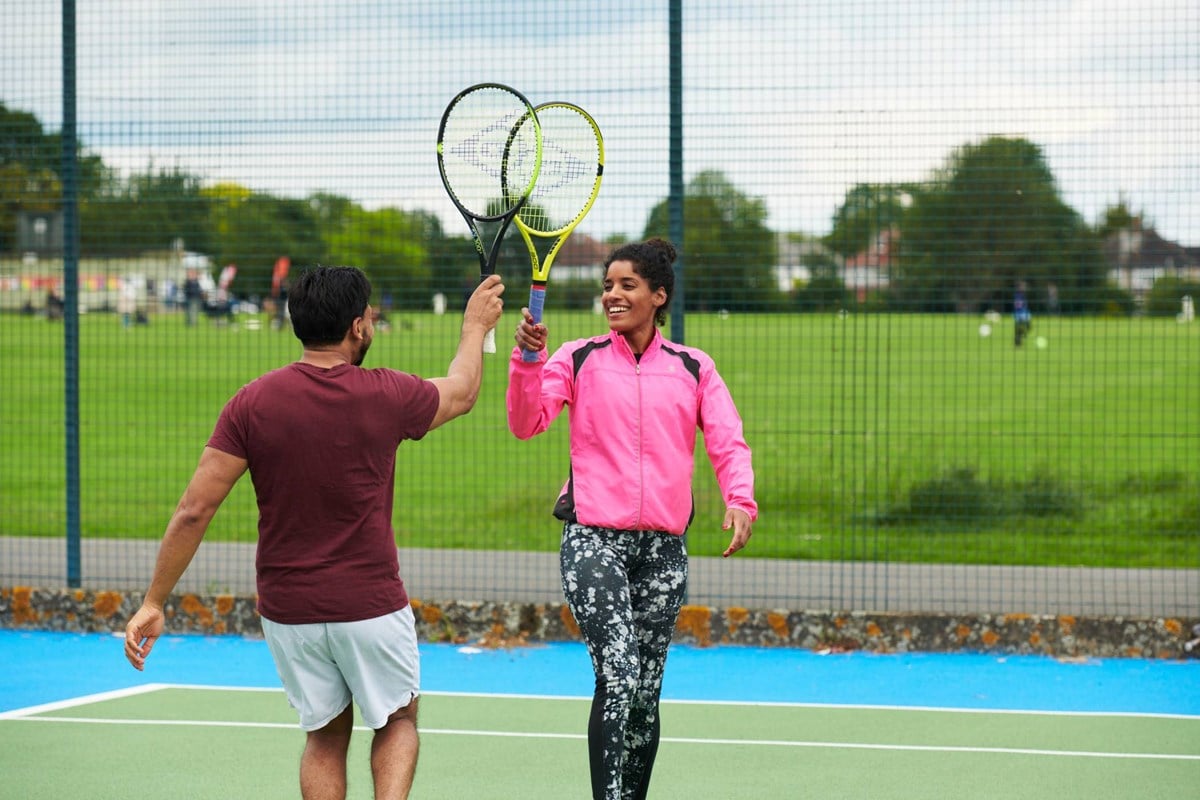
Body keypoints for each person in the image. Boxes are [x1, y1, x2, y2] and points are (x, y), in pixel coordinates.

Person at [124, 266, 506, 800]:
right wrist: (474, 327)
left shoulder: (251, 402)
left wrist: (153, 601)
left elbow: (194, 510)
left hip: (288, 610)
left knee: (324, 735)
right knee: (398, 719)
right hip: (370, 602)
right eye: (369, 315)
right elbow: (462, 392)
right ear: (357, 327)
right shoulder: (387, 392)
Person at [506, 238, 757, 800]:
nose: (612, 296)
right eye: (607, 285)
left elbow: (727, 441)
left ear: (658, 295)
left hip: (664, 550)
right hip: (593, 541)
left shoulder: (693, 367)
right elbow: (526, 422)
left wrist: (740, 499)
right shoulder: (576, 357)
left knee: (645, 691)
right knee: (617, 674)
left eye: (627, 285)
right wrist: (526, 360)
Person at [1013, 280, 1032, 347]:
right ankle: (1018, 342)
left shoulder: (1022, 294)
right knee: (1018, 328)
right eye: (1023, 286)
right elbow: (1018, 305)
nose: (1025, 287)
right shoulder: (1018, 295)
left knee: (1028, 327)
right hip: (1020, 313)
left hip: (1024, 312)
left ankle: (1021, 336)